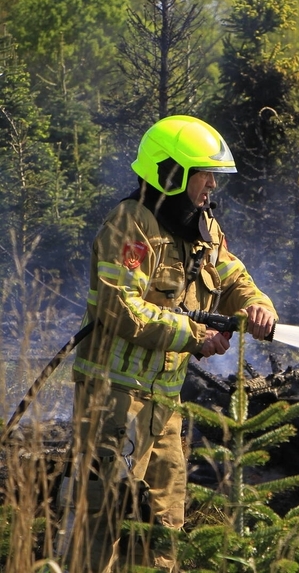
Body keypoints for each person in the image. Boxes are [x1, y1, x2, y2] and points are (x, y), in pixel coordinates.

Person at [64, 115, 277, 572]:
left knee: (163, 533)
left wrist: (259, 305)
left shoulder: (202, 229)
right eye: (205, 175)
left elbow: (234, 277)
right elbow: (123, 308)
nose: (211, 187)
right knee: (102, 527)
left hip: (164, 407)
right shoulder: (130, 224)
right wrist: (196, 336)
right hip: (112, 404)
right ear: (172, 172)